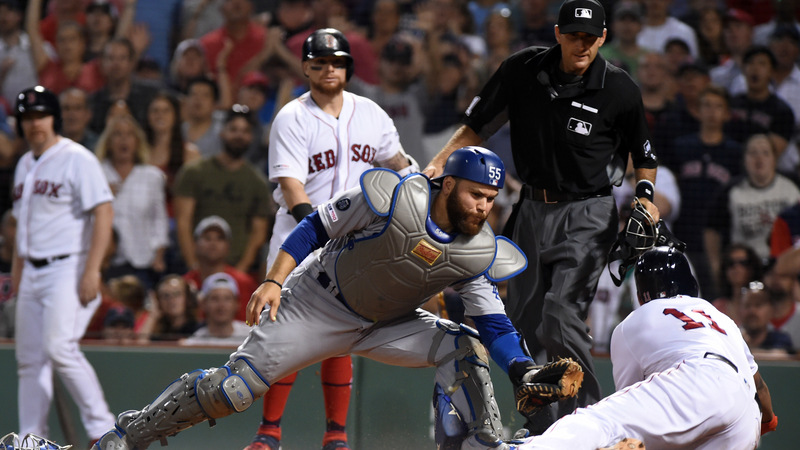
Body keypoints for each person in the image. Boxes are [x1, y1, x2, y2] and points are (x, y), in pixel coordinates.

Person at [94, 146, 571, 450]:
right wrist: (274, 280)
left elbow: (495, 323)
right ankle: (130, 433)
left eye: (490, 198)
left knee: (465, 347)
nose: (484, 207)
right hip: (317, 303)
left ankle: (486, 445)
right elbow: (314, 227)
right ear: (448, 183)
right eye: (475, 196)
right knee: (231, 391)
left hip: (390, 322)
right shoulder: (393, 197)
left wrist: (522, 369)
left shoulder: (479, 249)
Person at [423, 0, 659, 434]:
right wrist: (438, 162)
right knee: (524, 323)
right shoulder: (522, 70)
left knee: (560, 314)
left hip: (589, 212)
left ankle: (593, 427)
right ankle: (543, 428)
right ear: (558, 34)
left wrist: (645, 196)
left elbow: (643, 154)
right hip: (530, 208)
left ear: (603, 37)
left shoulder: (620, 89)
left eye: (591, 37)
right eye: (574, 36)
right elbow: (477, 124)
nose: (582, 45)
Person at [247, 28, 418, 450]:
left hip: (354, 241)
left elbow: (398, 164)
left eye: (336, 62)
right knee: (282, 332)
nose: (328, 69)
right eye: (319, 62)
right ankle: (269, 432)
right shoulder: (292, 115)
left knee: (341, 328)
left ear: (348, 67)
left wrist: (415, 179)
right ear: (305, 67)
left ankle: (336, 435)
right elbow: (292, 188)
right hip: (297, 234)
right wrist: (319, 236)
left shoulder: (372, 114)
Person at [515, 247, 777, 449]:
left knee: (602, 422)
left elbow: (628, 419)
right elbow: (761, 387)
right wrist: (768, 421)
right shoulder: (720, 316)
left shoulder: (637, 319)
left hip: (697, 384)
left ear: (643, 294)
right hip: (746, 416)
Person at [11, 85, 115, 443]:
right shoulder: (25, 164)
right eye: (27, 117)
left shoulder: (77, 157)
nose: (34, 123)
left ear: (54, 117)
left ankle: (104, 429)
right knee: (29, 361)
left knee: (59, 348)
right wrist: (16, 274)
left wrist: (92, 269)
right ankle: (31, 437)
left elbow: (103, 211)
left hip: (67, 267)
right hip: (31, 271)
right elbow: (22, 226)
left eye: (40, 115)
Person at [173, 105, 271, 272]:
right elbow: (183, 222)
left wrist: (239, 272)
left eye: (245, 131)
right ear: (221, 132)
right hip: (194, 266)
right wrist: (193, 267)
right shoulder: (194, 172)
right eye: (233, 129)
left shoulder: (258, 183)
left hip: (235, 268)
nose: (239, 135)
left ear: (251, 137)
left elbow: (258, 234)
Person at [705, 134, 800, 279]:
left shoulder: (792, 187)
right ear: (744, 159)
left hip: (786, 270)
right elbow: (711, 229)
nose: (759, 158)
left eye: (765, 153)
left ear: (775, 159)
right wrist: (716, 265)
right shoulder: (730, 191)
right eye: (753, 153)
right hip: (745, 268)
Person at [96, 114, 168, 289]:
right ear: (108, 142)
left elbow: (159, 219)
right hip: (105, 262)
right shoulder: (96, 173)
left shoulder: (152, 176)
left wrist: (159, 254)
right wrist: (101, 195)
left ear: (137, 141)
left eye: (129, 134)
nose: (123, 140)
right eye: (117, 134)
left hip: (143, 261)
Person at [184, 215, 257, 322]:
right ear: (195, 244)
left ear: (228, 245)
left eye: (220, 238)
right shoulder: (185, 283)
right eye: (207, 238)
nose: (213, 243)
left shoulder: (244, 283)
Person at [88, 38, 159, 134]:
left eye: (122, 58)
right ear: (101, 63)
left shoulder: (152, 95)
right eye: (110, 58)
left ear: (132, 63)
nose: (116, 64)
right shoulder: (93, 102)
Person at [182, 272, 251, 346]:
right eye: (215, 299)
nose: (221, 305)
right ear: (204, 304)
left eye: (227, 299)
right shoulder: (195, 344)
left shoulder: (252, 337)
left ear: (237, 303)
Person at [138, 274, 200, 341]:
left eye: (177, 293)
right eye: (166, 295)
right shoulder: (157, 332)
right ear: (158, 301)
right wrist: (153, 315)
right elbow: (139, 347)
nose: (171, 299)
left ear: (187, 298)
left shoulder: (198, 330)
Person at [740, 281, 794, 356]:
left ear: (771, 310)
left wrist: (744, 350)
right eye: (747, 305)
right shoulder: (731, 337)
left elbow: (780, 356)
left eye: (758, 305)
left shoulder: (780, 339)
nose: (752, 311)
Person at [0, 0, 38, 106]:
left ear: (19, 15)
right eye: (0, 12)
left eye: (8, 12)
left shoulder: (35, 47)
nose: (3, 17)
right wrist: (2, 73)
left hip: (34, 109)